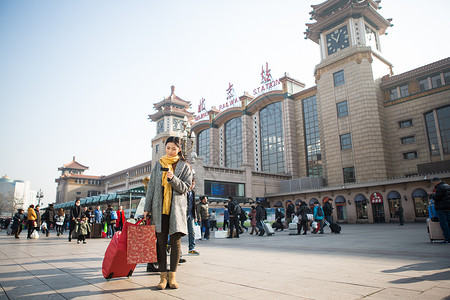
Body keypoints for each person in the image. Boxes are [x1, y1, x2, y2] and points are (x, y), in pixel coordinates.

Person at [144, 136, 193, 290]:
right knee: (160, 243)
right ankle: (162, 277)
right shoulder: (158, 165)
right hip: (160, 210)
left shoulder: (185, 166)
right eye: (168, 148)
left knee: (175, 243)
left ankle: (173, 276)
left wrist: (173, 179)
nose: (170, 151)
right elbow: (151, 188)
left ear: (179, 149)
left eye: (174, 148)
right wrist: (147, 208)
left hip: (176, 210)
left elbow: (185, 187)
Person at [430, 177, 450, 243]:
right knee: (448, 222)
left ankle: (447, 239)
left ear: (436, 181)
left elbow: (437, 197)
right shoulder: (447, 186)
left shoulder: (440, 187)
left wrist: (431, 195)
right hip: (448, 207)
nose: (433, 184)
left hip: (441, 207)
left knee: (444, 223)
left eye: (434, 182)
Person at [186, 179, 199, 255]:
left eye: (193, 184)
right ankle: (170, 244)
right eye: (191, 183)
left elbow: (194, 205)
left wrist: (195, 216)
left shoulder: (193, 192)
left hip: (191, 215)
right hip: (183, 214)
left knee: (192, 232)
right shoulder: (184, 191)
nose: (192, 185)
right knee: (179, 233)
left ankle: (191, 248)